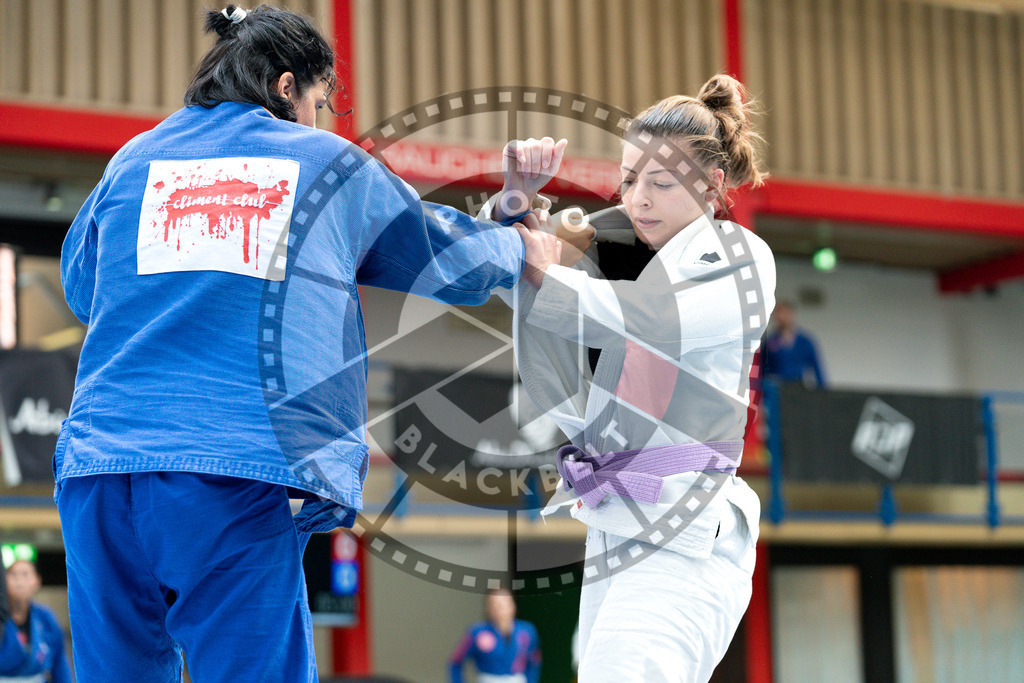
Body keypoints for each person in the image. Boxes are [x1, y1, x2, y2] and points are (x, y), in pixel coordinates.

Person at [56, 6, 560, 682]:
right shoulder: (322, 161)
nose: (322, 120)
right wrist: (521, 242)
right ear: (287, 87)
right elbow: (437, 252)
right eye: (320, 103)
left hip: (96, 471)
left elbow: (83, 285)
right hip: (227, 470)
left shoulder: (134, 158)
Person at [507, 74, 776, 681]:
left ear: (712, 185)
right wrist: (518, 203)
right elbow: (527, 276)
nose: (639, 199)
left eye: (660, 182)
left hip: (687, 525)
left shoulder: (738, 255)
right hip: (614, 520)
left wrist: (549, 273)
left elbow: (654, 321)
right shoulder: (616, 239)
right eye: (629, 179)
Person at [0, 560, 73, 683]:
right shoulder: (2, 617)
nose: (19, 580)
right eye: (13, 574)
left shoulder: (45, 617)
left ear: (37, 581)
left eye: (25, 574)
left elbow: (59, 662)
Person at [448, 588, 541, 683]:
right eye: (495, 604)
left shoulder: (526, 631)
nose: (500, 607)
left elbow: (534, 661)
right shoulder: (477, 632)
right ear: (488, 608)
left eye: (504, 602)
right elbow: (456, 661)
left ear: (513, 605)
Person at [760, 299, 827, 387]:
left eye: (785, 314)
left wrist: (823, 390)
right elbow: (761, 368)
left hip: (798, 385)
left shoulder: (805, 342)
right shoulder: (770, 342)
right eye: (778, 314)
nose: (782, 318)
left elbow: (816, 367)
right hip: (775, 386)